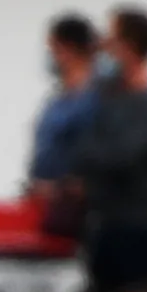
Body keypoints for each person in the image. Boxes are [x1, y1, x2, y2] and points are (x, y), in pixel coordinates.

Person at [73, 7, 147, 292]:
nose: (103, 47)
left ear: (129, 46)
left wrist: (91, 155)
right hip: (105, 226)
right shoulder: (106, 100)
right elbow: (80, 146)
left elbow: (120, 157)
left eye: (111, 39)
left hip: (139, 233)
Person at [27, 14, 100, 248]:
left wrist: (64, 188)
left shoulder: (97, 99)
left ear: (66, 49)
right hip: (48, 211)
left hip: (82, 214)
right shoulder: (57, 100)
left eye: (52, 49)